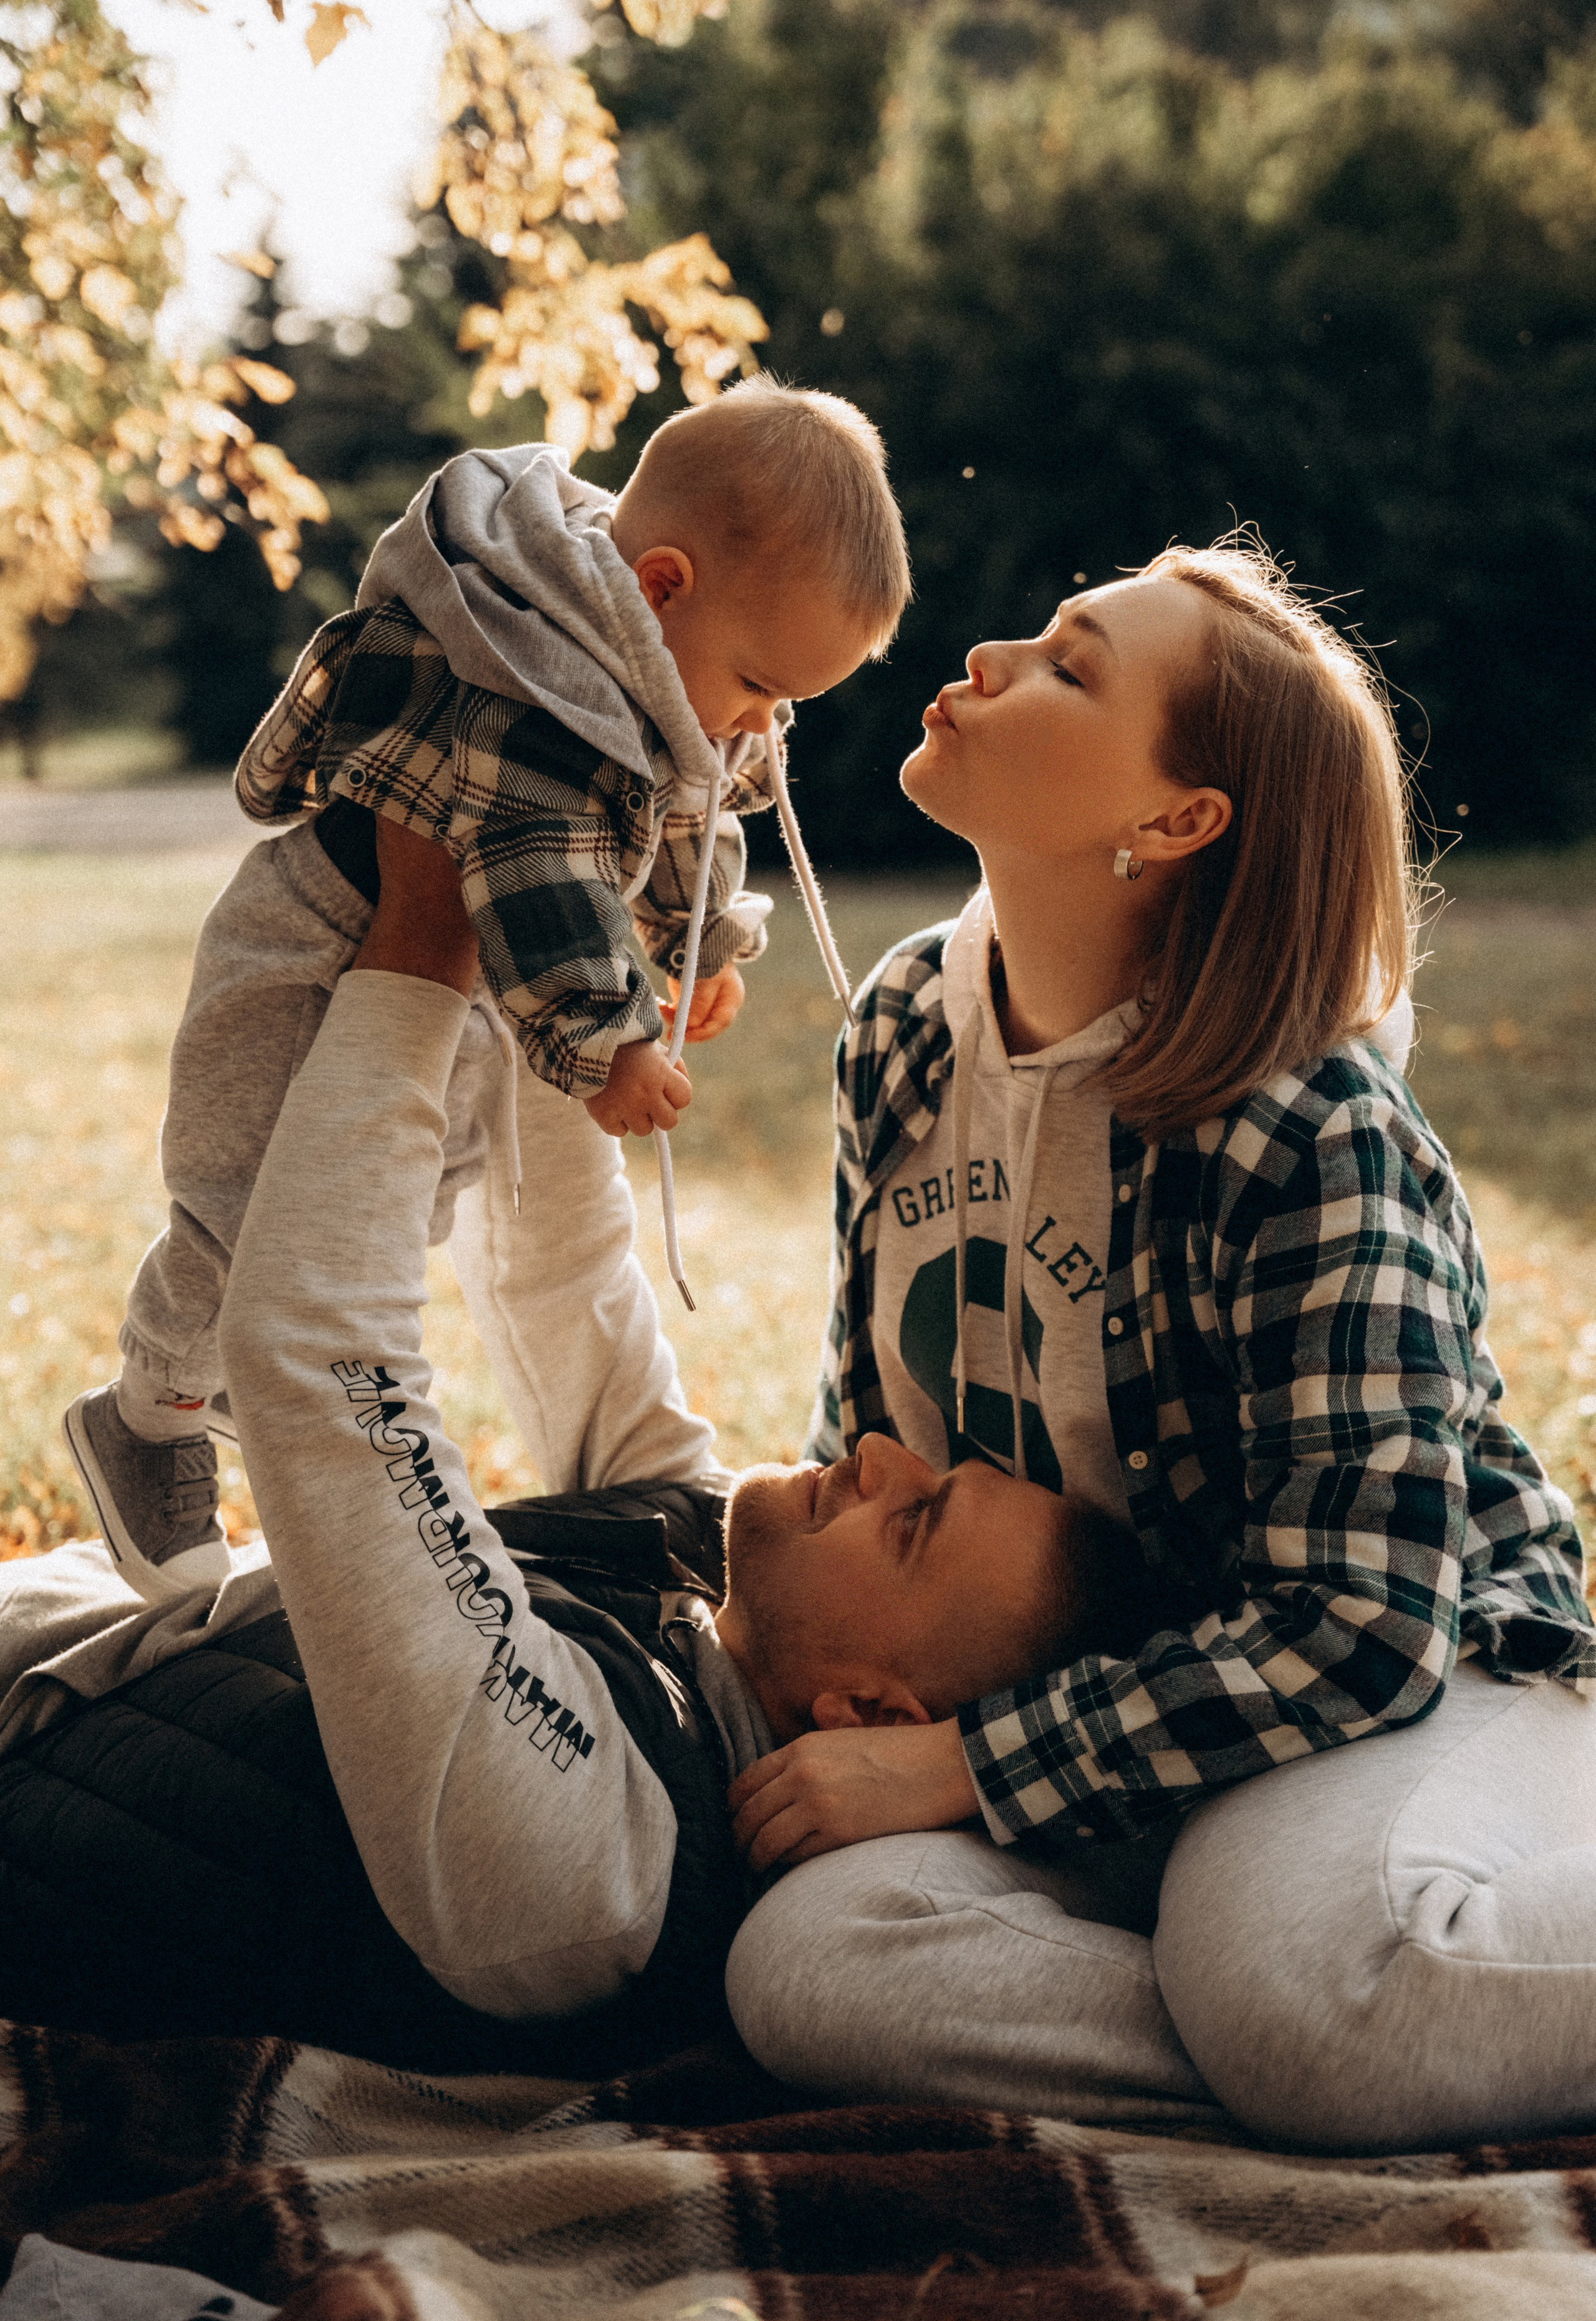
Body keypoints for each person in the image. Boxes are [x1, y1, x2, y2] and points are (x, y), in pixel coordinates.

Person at [0, 821, 1151, 2076]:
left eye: (913, 1520)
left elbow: (325, 1369)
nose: (880, 1456)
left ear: (867, 1711)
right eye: (929, 1472)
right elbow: (560, 1267)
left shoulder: (592, 1860)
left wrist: (424, 947)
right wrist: (563, 933)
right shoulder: (706, 1569)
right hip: (67, 1639)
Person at [721, 538, 1596, 2153]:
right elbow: (878, 1428)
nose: (987, 656)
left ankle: (1336, 1991)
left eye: (1070, 664)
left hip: (1413, 1687)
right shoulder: (906, 1034)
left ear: (1176, 821)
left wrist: (976, 1770)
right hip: (1125, 1738)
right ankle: (1292, 2038)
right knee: (810, 1964)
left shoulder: (1303, 1125)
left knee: (1300, 1970)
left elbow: (1362, 1623)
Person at [62, 378, 908, 1608]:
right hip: (310, 946)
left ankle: (243, 1363)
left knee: (407, 1196)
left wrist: (703, 940)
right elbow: (537, 878)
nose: (761, 721)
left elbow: (697, 790)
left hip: (448, 989)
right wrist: (613, 1043)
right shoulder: (530, 683)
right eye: (762, 684)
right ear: (662, 583)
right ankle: (149, 1407)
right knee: (241, 1204)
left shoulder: (663, 657)